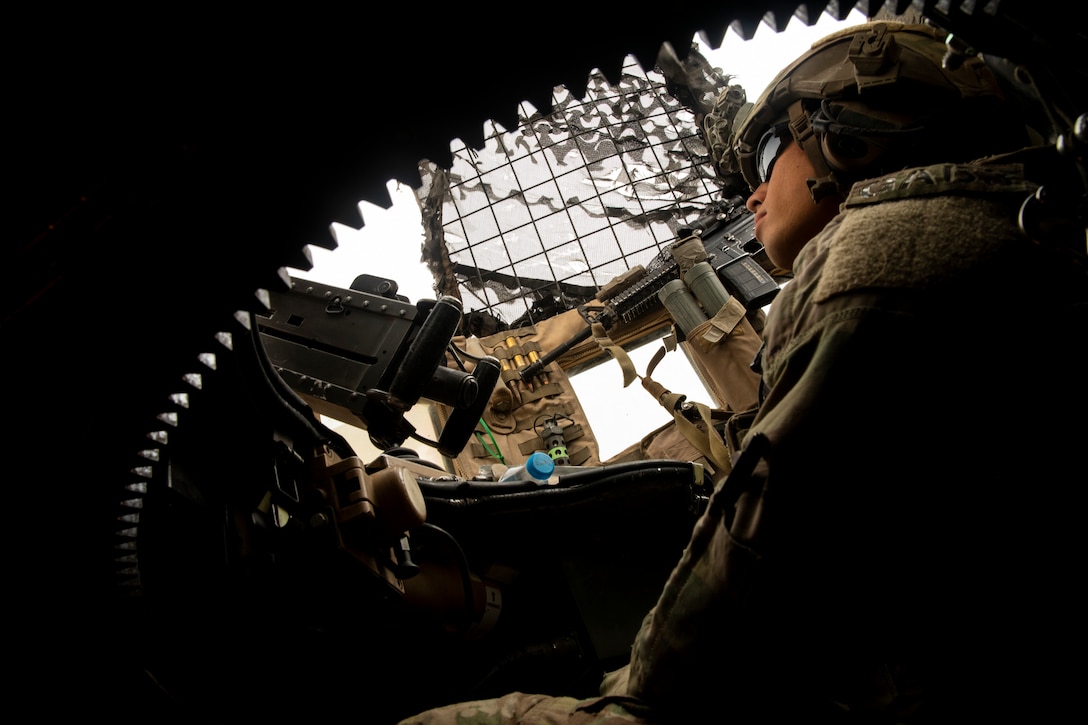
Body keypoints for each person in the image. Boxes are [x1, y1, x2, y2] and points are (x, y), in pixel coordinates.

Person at [397, 20, 1087, 724]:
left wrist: (626, 695)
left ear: (851, 135)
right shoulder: (1022, 232)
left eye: (764, 157)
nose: (753, 195)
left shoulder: (871, 267)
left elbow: (733, 591)